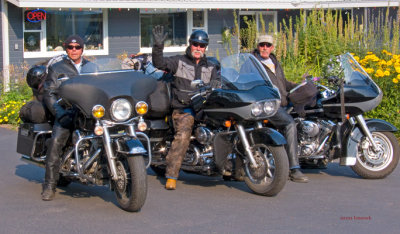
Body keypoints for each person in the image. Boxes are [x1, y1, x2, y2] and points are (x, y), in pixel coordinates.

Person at [152, 25, 221, 190]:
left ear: (205, 47)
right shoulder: (178, 62)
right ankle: (171, 175)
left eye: (202, 45)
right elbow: (159, 62)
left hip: (205, 108)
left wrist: (217, 82)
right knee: (184, 133)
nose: (198, 48)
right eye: (196, 44)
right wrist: (158, 45)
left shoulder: (211, 65)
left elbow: (218, 81)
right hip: (183, 109)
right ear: (190, 44)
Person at [41, 35, 97, 201]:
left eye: (77, 47)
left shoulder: (91, 66)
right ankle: (49, 185)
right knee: (56, 142)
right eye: (70, 47)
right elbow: (49, 93)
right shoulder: (57, 68)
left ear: (82, 48)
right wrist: (59, 112)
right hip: (67, 112)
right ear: (66, 49)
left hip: (88, 113)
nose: (74, 50)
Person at [252, 34, 309, 183]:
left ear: (272, 47)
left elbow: (282, 82)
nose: (265, 48)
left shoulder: (275, 62)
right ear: (258, 46)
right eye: (262, 45)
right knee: (289, 124)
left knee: (306, 113)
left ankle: (310, 156)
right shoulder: (252, 63)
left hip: (282, 102)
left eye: (268, 45)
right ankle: (294, 168)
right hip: (267, 104)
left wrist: (300, 86)